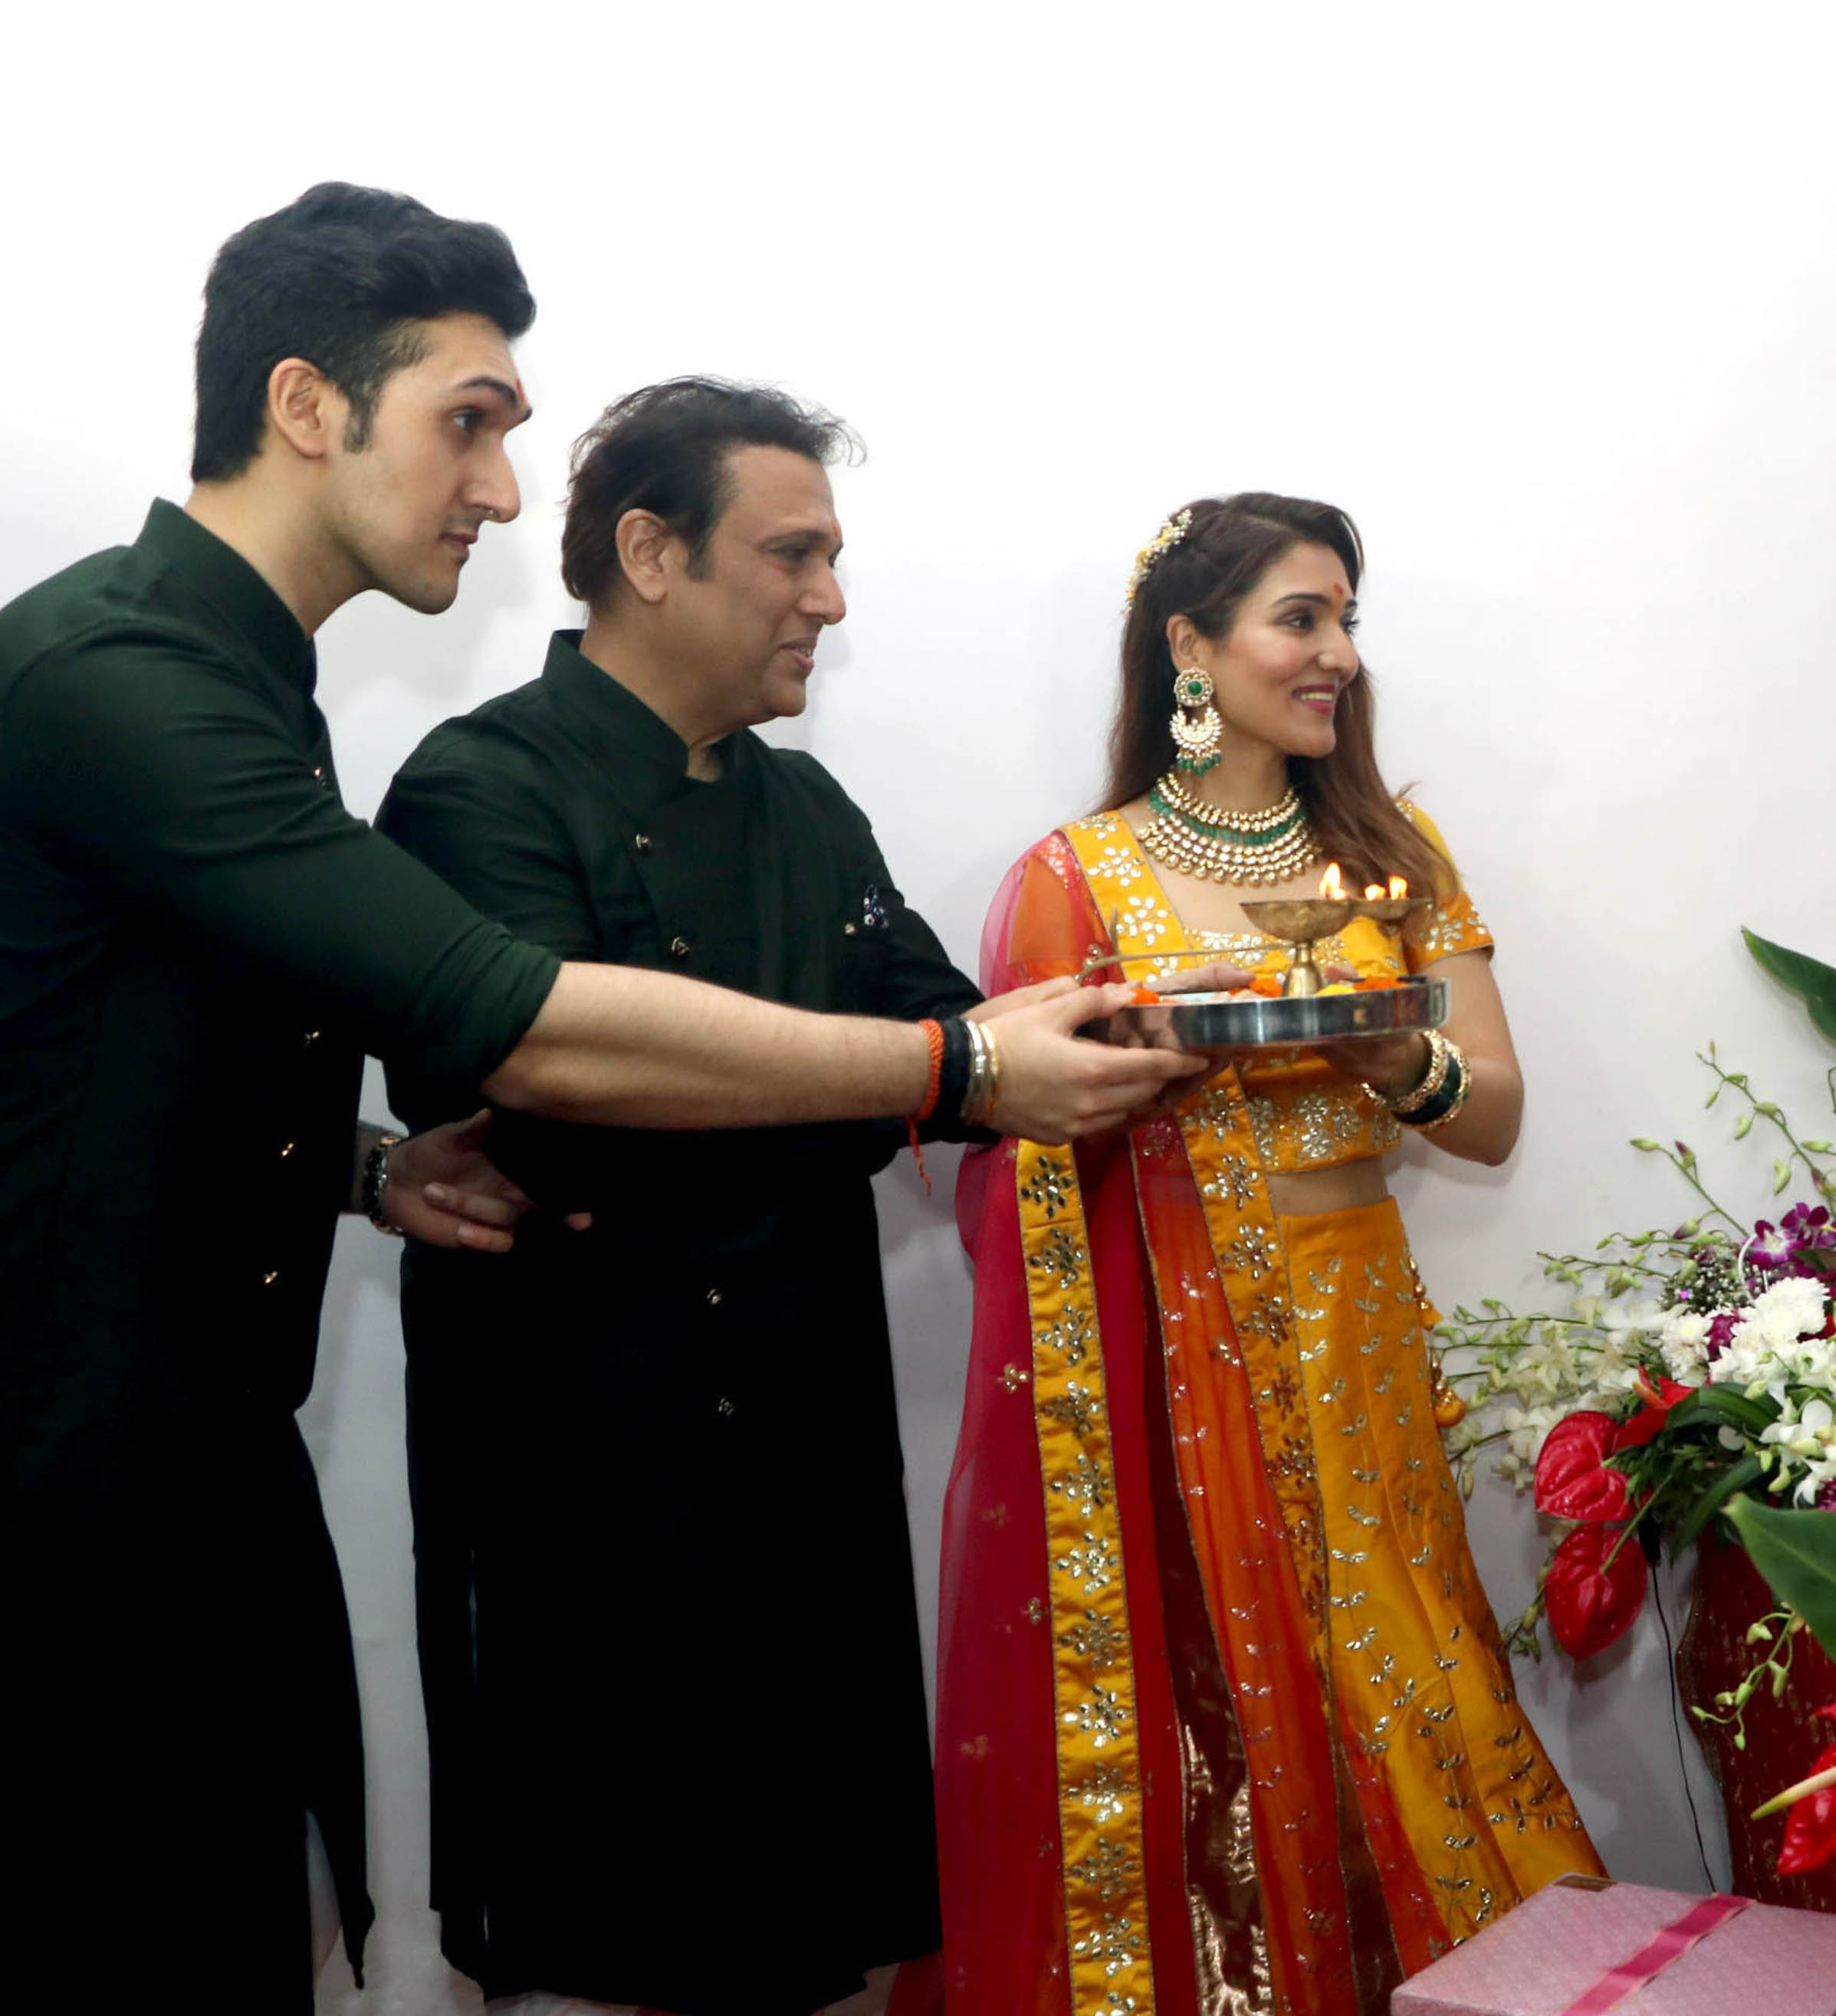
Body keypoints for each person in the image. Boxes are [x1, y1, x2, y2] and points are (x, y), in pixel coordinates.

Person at [0, 185, 1206, 2014]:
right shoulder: (128, 676)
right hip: (76, 1491)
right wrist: (953, 1067)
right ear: (310, 402)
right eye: (468, 421)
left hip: (204, 1475)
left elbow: (100, 1040)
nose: (498, 488)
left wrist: (355, 1164)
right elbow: (527, 1029)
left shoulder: (248, 681)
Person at [911, 496, 1601, 2016]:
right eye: (1302, 619)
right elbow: (1020, 1135)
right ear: (1190, 645)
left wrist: (1385, 1061)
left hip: (1356, 1348)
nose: (1338, 655)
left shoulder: (1392, 853)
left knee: (1403, 1674)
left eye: (1348, 620)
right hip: (1174, 1368)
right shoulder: (1078, 877)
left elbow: (1490, 1114)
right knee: (1223, 1693)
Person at [375, 379, 990, 2014]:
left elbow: (943, 1031)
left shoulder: (804, 804)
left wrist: (1060, 1040)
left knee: (812, 1938)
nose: (831, 600)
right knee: (609, 1934)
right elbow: (566, 1101)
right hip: (589, 1462)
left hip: (807, 1443)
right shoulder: (477, 788)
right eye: (794, 553)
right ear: (650, 551)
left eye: (834, 557)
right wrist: (891, 1076)